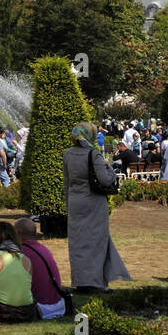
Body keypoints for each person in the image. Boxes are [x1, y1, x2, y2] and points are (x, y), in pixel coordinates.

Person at [63, 121, 131, 292]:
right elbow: (105, 180)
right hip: (93, 201)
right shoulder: (93, 154)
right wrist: (110, 169)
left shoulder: (68, 154)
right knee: (95, 242)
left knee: (78, 243)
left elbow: (66, 182)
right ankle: (95, 282)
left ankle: (80, 281)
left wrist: (69, 203)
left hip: (75, 202)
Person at [14, 217, 66, 320]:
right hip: (58, 304)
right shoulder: (42, 248)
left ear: (18, 233)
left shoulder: (22, 253)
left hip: (40, 307)